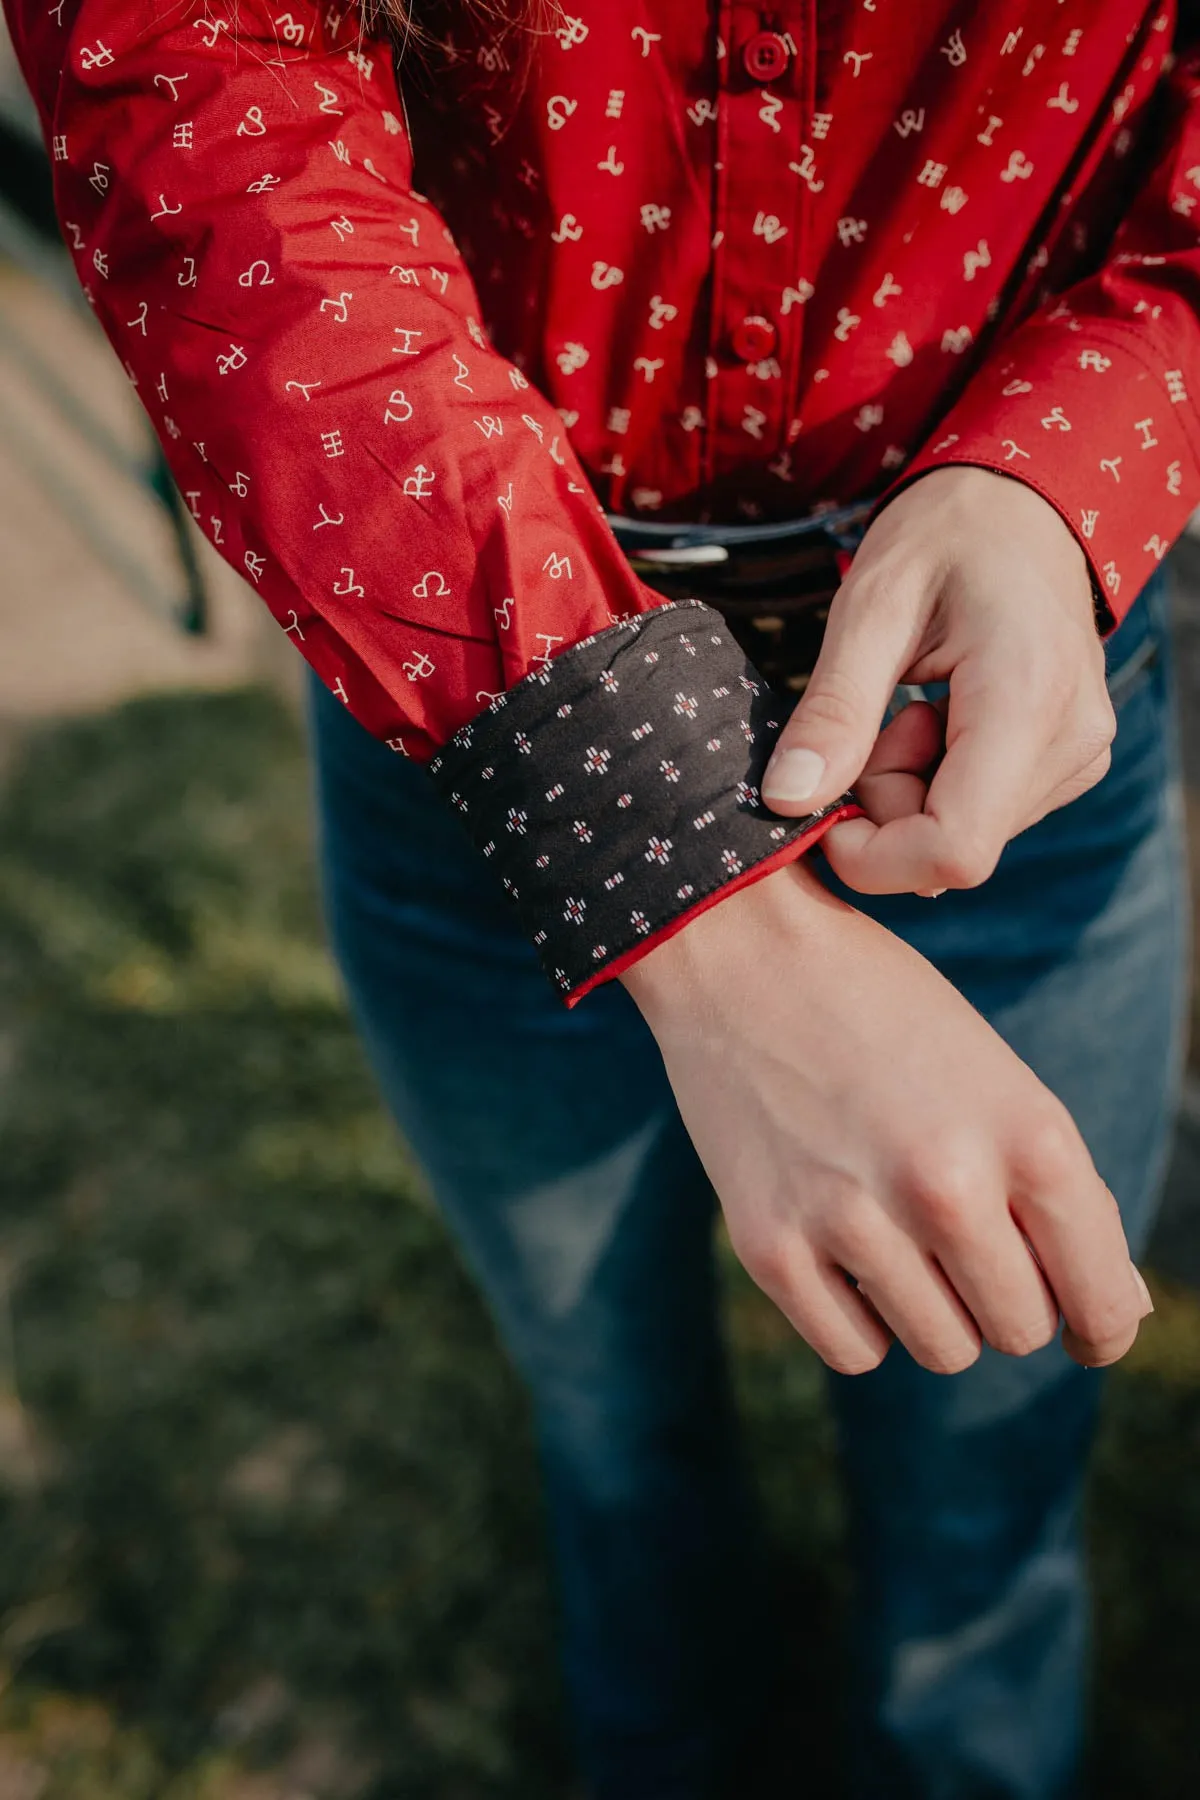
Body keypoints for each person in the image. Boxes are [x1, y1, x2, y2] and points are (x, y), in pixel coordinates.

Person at [6, 0, 1194, 1793]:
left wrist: (1058, 478)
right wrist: (696, 891)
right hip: (476, 730)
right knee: (608, 1413)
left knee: (997, 1458)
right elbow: (215, 111)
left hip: (1016, 710)